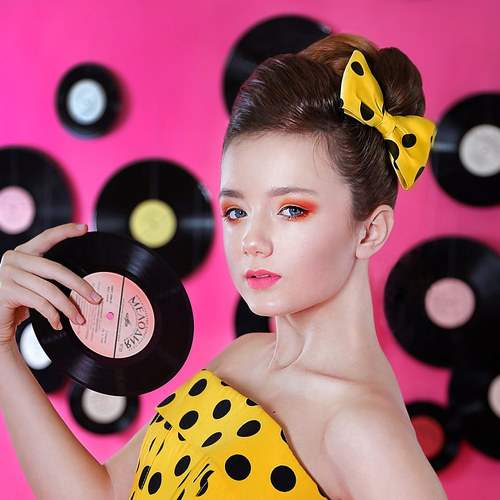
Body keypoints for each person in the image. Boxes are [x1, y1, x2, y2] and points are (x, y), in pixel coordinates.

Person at [0, 32, 448, 500]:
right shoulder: (242, 358)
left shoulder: (363, 432)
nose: (252, 241)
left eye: (292, 209)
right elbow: (105, 495)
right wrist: (3, 347)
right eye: (236, 212)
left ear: (370, 231)